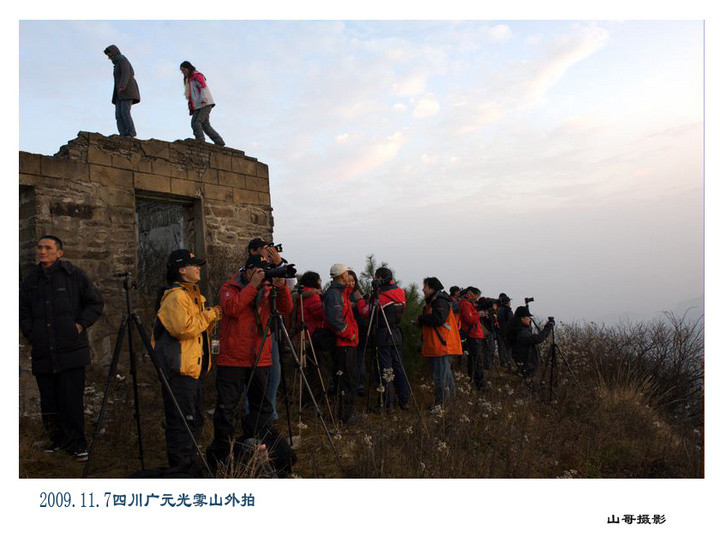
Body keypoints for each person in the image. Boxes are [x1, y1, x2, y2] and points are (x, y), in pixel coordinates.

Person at [19, 235, 104, 461]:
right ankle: (57, 441)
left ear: (59, 253)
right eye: (39, 247)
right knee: (49, 401)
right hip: (43, 352)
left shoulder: (73, 276)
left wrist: (78, 326)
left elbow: (95, 302)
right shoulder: (30, 281)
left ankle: (77, 444)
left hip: (71, 350)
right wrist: (33, 334)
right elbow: (23, 313)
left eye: (48, 248)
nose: (42, 251)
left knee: (71, 400)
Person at [208, 254, 294, 474]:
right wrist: (253, 287)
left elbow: (286, 309)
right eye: (258, 271)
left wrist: (281, 287)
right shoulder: (230, 287)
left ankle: (258, 449)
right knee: (227, 410)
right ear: (248, 271)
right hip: (233, 359)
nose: (263, 275)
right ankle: (221, 455)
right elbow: (232, 309)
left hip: (260, 357)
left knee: (262, 410)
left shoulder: (268, 290)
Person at [153, 249, 221, 470]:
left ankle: (189, 467)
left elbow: (200, 332)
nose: (198, 268)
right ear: (181, 270)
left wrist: (208, 316)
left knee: (194, 422)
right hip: (180, 372)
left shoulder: (193, 297)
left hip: (194, 371)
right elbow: (183, 329)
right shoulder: (175, 296)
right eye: (194, 265)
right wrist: (210, 314)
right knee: (182, 424)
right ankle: (181, 472)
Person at [358, 267, 409, 412]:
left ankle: (387, 404)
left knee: (385, 370)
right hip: (396, 334)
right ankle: (404, 401)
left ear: (379, 278)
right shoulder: (400, 292)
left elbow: (366, 312)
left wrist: (361, 300)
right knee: (399, 368)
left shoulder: (382, 295)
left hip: (382, 334)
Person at [323, 263, 364, 424]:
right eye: (347, 273)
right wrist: (351, 335)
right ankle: (344, 416)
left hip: (347, 343)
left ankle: (344, 414)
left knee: (347, 379)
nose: (349, 275)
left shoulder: (341, 293)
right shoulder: (334, 294)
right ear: (342, 276)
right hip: (344, 344)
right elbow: (336, 320)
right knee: (345, 380)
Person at [417, 277, 462, 406]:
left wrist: (422, 318)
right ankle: (450, 404)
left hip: (441, 345)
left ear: (431, 288)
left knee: (440, 378)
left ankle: (441, 406)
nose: (423, 289)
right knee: (445, 376)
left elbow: (438, 319)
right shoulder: (436, 301)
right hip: (439, 344)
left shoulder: (439, 302)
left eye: (425, 286)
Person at [179, 61, 225, 146]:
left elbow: (203, 86)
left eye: (184, 70)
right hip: (199, 104)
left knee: (196, 122)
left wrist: (203, 98)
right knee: (205, 125)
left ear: (188, 68)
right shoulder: (189, 79)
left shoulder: (196, 76)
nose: (183, 72)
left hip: (204, 103)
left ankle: (200, 142)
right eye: (181, 70)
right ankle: (219, 142)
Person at [505, 305, 554, 378]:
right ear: (522, 318)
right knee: (528, 384)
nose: (529, 319)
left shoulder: (516, 329)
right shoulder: (522, 333)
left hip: (525, 364)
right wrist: (548, 327)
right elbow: (538, 338)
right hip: (528, 365)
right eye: (528, 317)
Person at [103, 45, 140, 137]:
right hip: (119, 94)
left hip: (127, 91)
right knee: (118, 115)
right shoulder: (117, 64)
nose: (109, 58)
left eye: (110, 56)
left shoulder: (123, 60)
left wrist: (122, 86)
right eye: (108, 56)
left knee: (125, 112)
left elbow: (126, 73)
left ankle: (131, 133)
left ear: (115, 52)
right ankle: (123, 134)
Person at [457, 286, 485, 389]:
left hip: (475, 334)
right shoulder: (465, 304)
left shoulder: (469, 303)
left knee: (475, 360)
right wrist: (479, 314)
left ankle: (474, 380)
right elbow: (470, 319)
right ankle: (480, 385)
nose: (477, 298)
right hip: (473, 335)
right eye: (477, 296)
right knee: (477, 361)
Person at [496, 293, 513, 369]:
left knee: (501, 349)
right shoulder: (508, 310)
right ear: (507, 302)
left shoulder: (499, 309)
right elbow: (511, 321)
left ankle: (503, 363)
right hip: (508, 333)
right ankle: (510, 365)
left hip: (501, 332)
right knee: (509, 350)